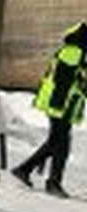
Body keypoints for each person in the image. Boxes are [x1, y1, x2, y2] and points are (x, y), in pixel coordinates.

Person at [11, 21, 87, 199]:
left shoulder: (80, 52)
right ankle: (52, 182)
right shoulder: (73, 51)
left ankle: (25, 170)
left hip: (65, 104)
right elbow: (63, 80)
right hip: (59, 104)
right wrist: (60, 105)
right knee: (61, 144)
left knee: (56, 142)